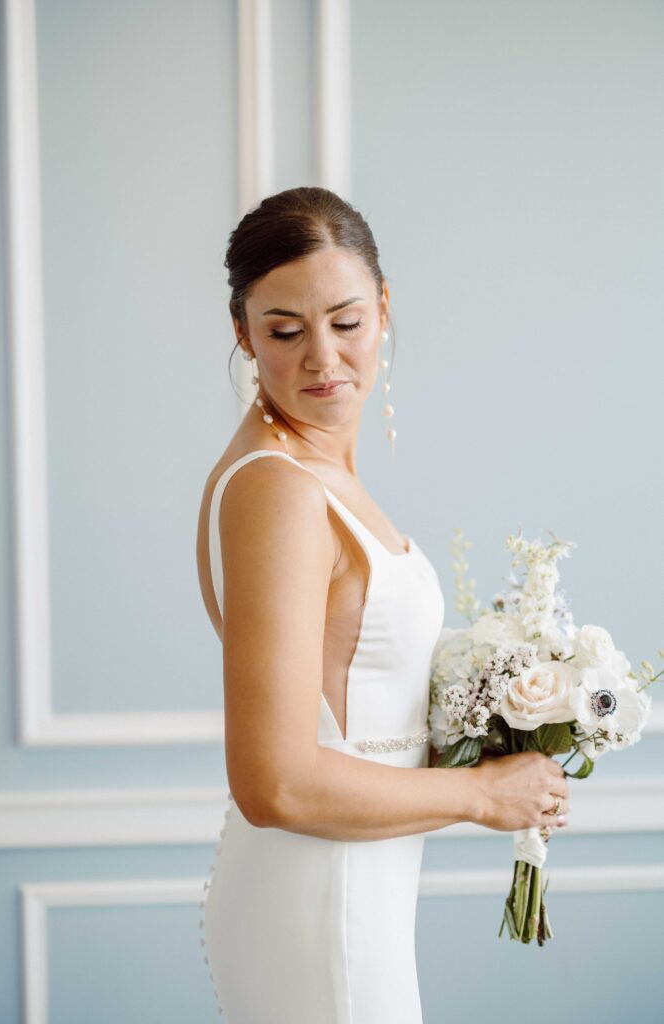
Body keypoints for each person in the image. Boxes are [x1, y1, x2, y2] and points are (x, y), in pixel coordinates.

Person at [195, 186, 570, 1022]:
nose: (323, 359)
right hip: (319, 902)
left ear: (385, 308)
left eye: (346, 321)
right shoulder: (277, 490)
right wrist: (480, 794)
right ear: (243, 334)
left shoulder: (312, 473)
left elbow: (355, 719)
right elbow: (275, 781)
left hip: (353, 884)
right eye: (284, 331)